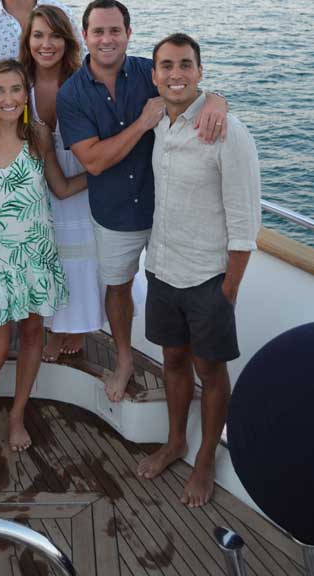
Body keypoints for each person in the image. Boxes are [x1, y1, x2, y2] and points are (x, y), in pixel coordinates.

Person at [57, 0, 227, 403]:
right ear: (85, 37)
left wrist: (218, 98)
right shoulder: (72, 94)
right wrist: (143, 123)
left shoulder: (149, 73)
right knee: (117, 287)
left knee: (175, 288)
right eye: (98, 31)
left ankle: (184, 368)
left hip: (166, 209)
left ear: (129, 34)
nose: (107, 39)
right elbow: (94, 162)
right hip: (114, 213)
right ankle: (124, 359)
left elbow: (189, 87)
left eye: (115, 30)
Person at [137, 33, 261, 508]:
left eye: (185, 65)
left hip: (209, 278)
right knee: (172, 360)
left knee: (210, 371)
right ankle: (175, 442)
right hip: (163, 268)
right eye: (166, 65)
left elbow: (246, 222)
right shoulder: (159, 124)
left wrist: (228, 291)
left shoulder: (226, 131)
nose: (176, 74)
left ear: (200, 72)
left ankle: (205, 459)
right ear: (154, 75)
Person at [0, 59, 87, 455]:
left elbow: (62, 188)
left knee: (33, 335)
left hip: (35, 258)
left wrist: (113, 168)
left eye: (16, 89)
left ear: (26, 95)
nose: (8, 98)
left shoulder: (38, 136)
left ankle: (17, 414)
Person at [19, 5, 105, 360]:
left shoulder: (83, 80)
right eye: (38, 35)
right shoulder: (20, 82)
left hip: (81, 176)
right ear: (28, 40)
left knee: (81, 257)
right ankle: (54, 326)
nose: (46, 44)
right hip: (38, 180)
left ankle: (79, 326)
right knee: (47, 257)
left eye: (55, 35)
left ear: (67, 40)